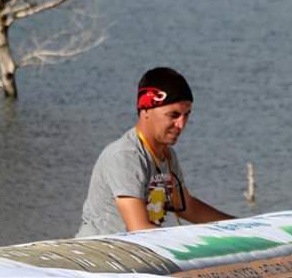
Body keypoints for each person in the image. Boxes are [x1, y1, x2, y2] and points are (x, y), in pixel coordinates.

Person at [78, 67, 233, 237]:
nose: (181, 124)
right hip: (103, 250)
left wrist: (238, 225)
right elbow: (139, 228)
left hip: (143, 247)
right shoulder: (126, 156)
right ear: (145, 110)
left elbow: (187, 207)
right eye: (173, 115)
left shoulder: (168, 155)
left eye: (186, 115)